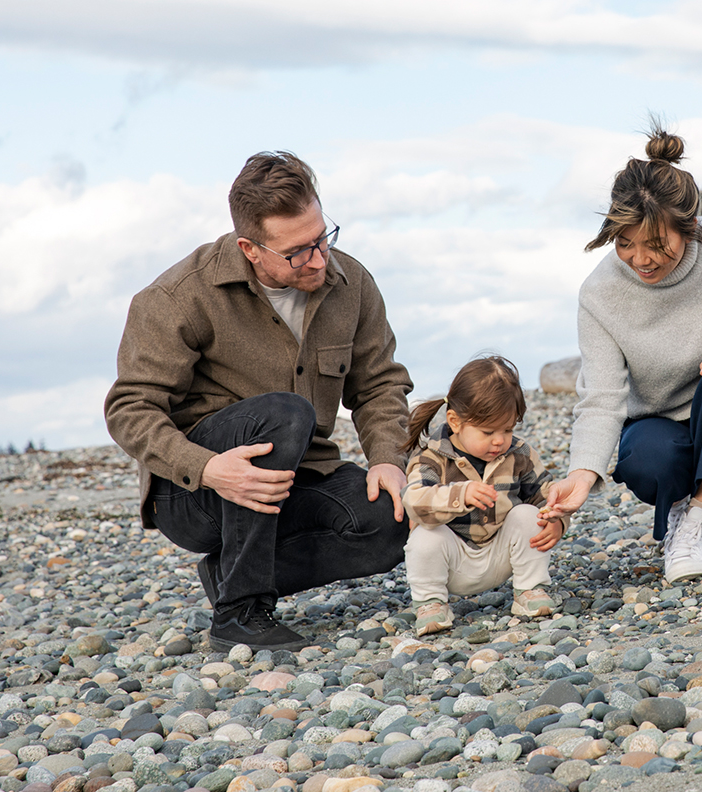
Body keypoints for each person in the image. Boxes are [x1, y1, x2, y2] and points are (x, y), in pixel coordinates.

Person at [104, 151, 414, 652]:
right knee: (286, 414)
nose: (318, 259)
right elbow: (129, 408)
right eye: (298, 252)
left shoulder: (351, 283)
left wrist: (386, 459)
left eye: (322, 238)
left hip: (301, 477)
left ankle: (232, 574)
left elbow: (379, 384)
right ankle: (239, 615)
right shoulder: (177, 297)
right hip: (194, 492)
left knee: (391, 520)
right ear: (250, 247)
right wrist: (208, 468)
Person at [545, 125, 702, 584]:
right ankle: (681, 507)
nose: (640, 258)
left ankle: (699, 519)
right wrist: (582, 473)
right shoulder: (599, 294)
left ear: (692, 228)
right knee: (646, 461)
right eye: (626, 243)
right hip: (662, 426)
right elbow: (602, 397)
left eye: (656, 244)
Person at [400, 356, 566, 637]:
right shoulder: (432, 458)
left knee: (528, 515)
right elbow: (413, 500)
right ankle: (431, 603)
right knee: (425, 536)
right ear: (455, 421)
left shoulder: (518, 454)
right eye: (488, 432)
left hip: (501, 556)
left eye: (508, 429)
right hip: (452, 562)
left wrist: (558, 519)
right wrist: (459, 495)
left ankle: (529, 589)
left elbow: (546, 494)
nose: (499, 440)